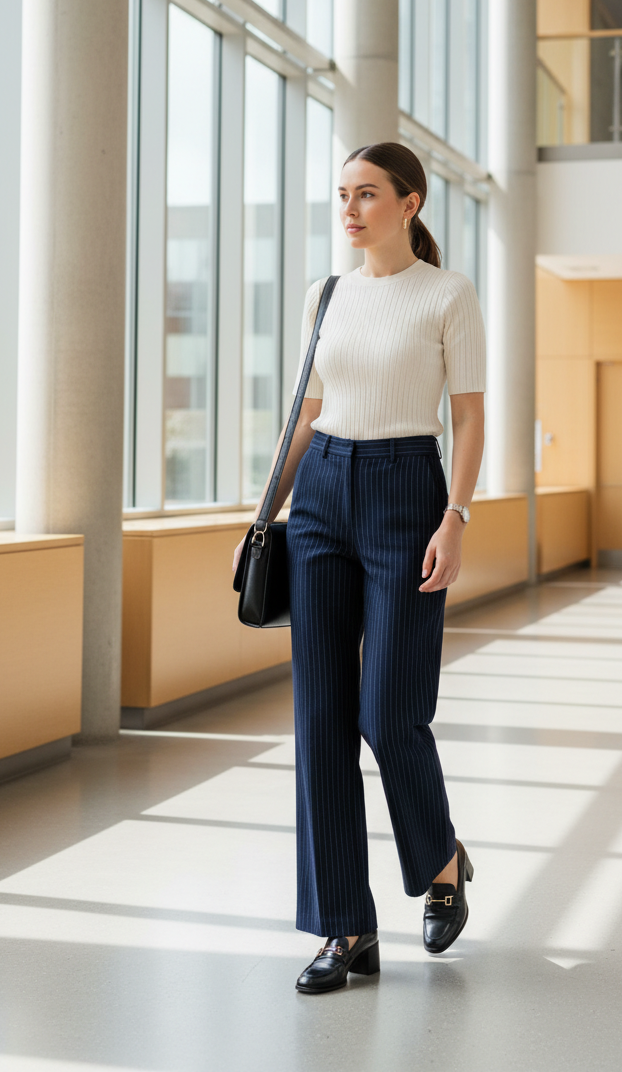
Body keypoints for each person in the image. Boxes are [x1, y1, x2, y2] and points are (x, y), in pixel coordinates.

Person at [232, 141, 486, 994]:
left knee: (390, 712)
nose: (349, 209)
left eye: (367, 194)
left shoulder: (447, 294)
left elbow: (471, 420)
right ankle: (346, 929)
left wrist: (456, 516)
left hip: (409, 489)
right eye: (342, 194)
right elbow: (304, 414)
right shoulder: (326, 293)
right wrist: (267, 512)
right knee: (320, 723)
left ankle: (440, 859)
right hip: (323, 500)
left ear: (409, 204)